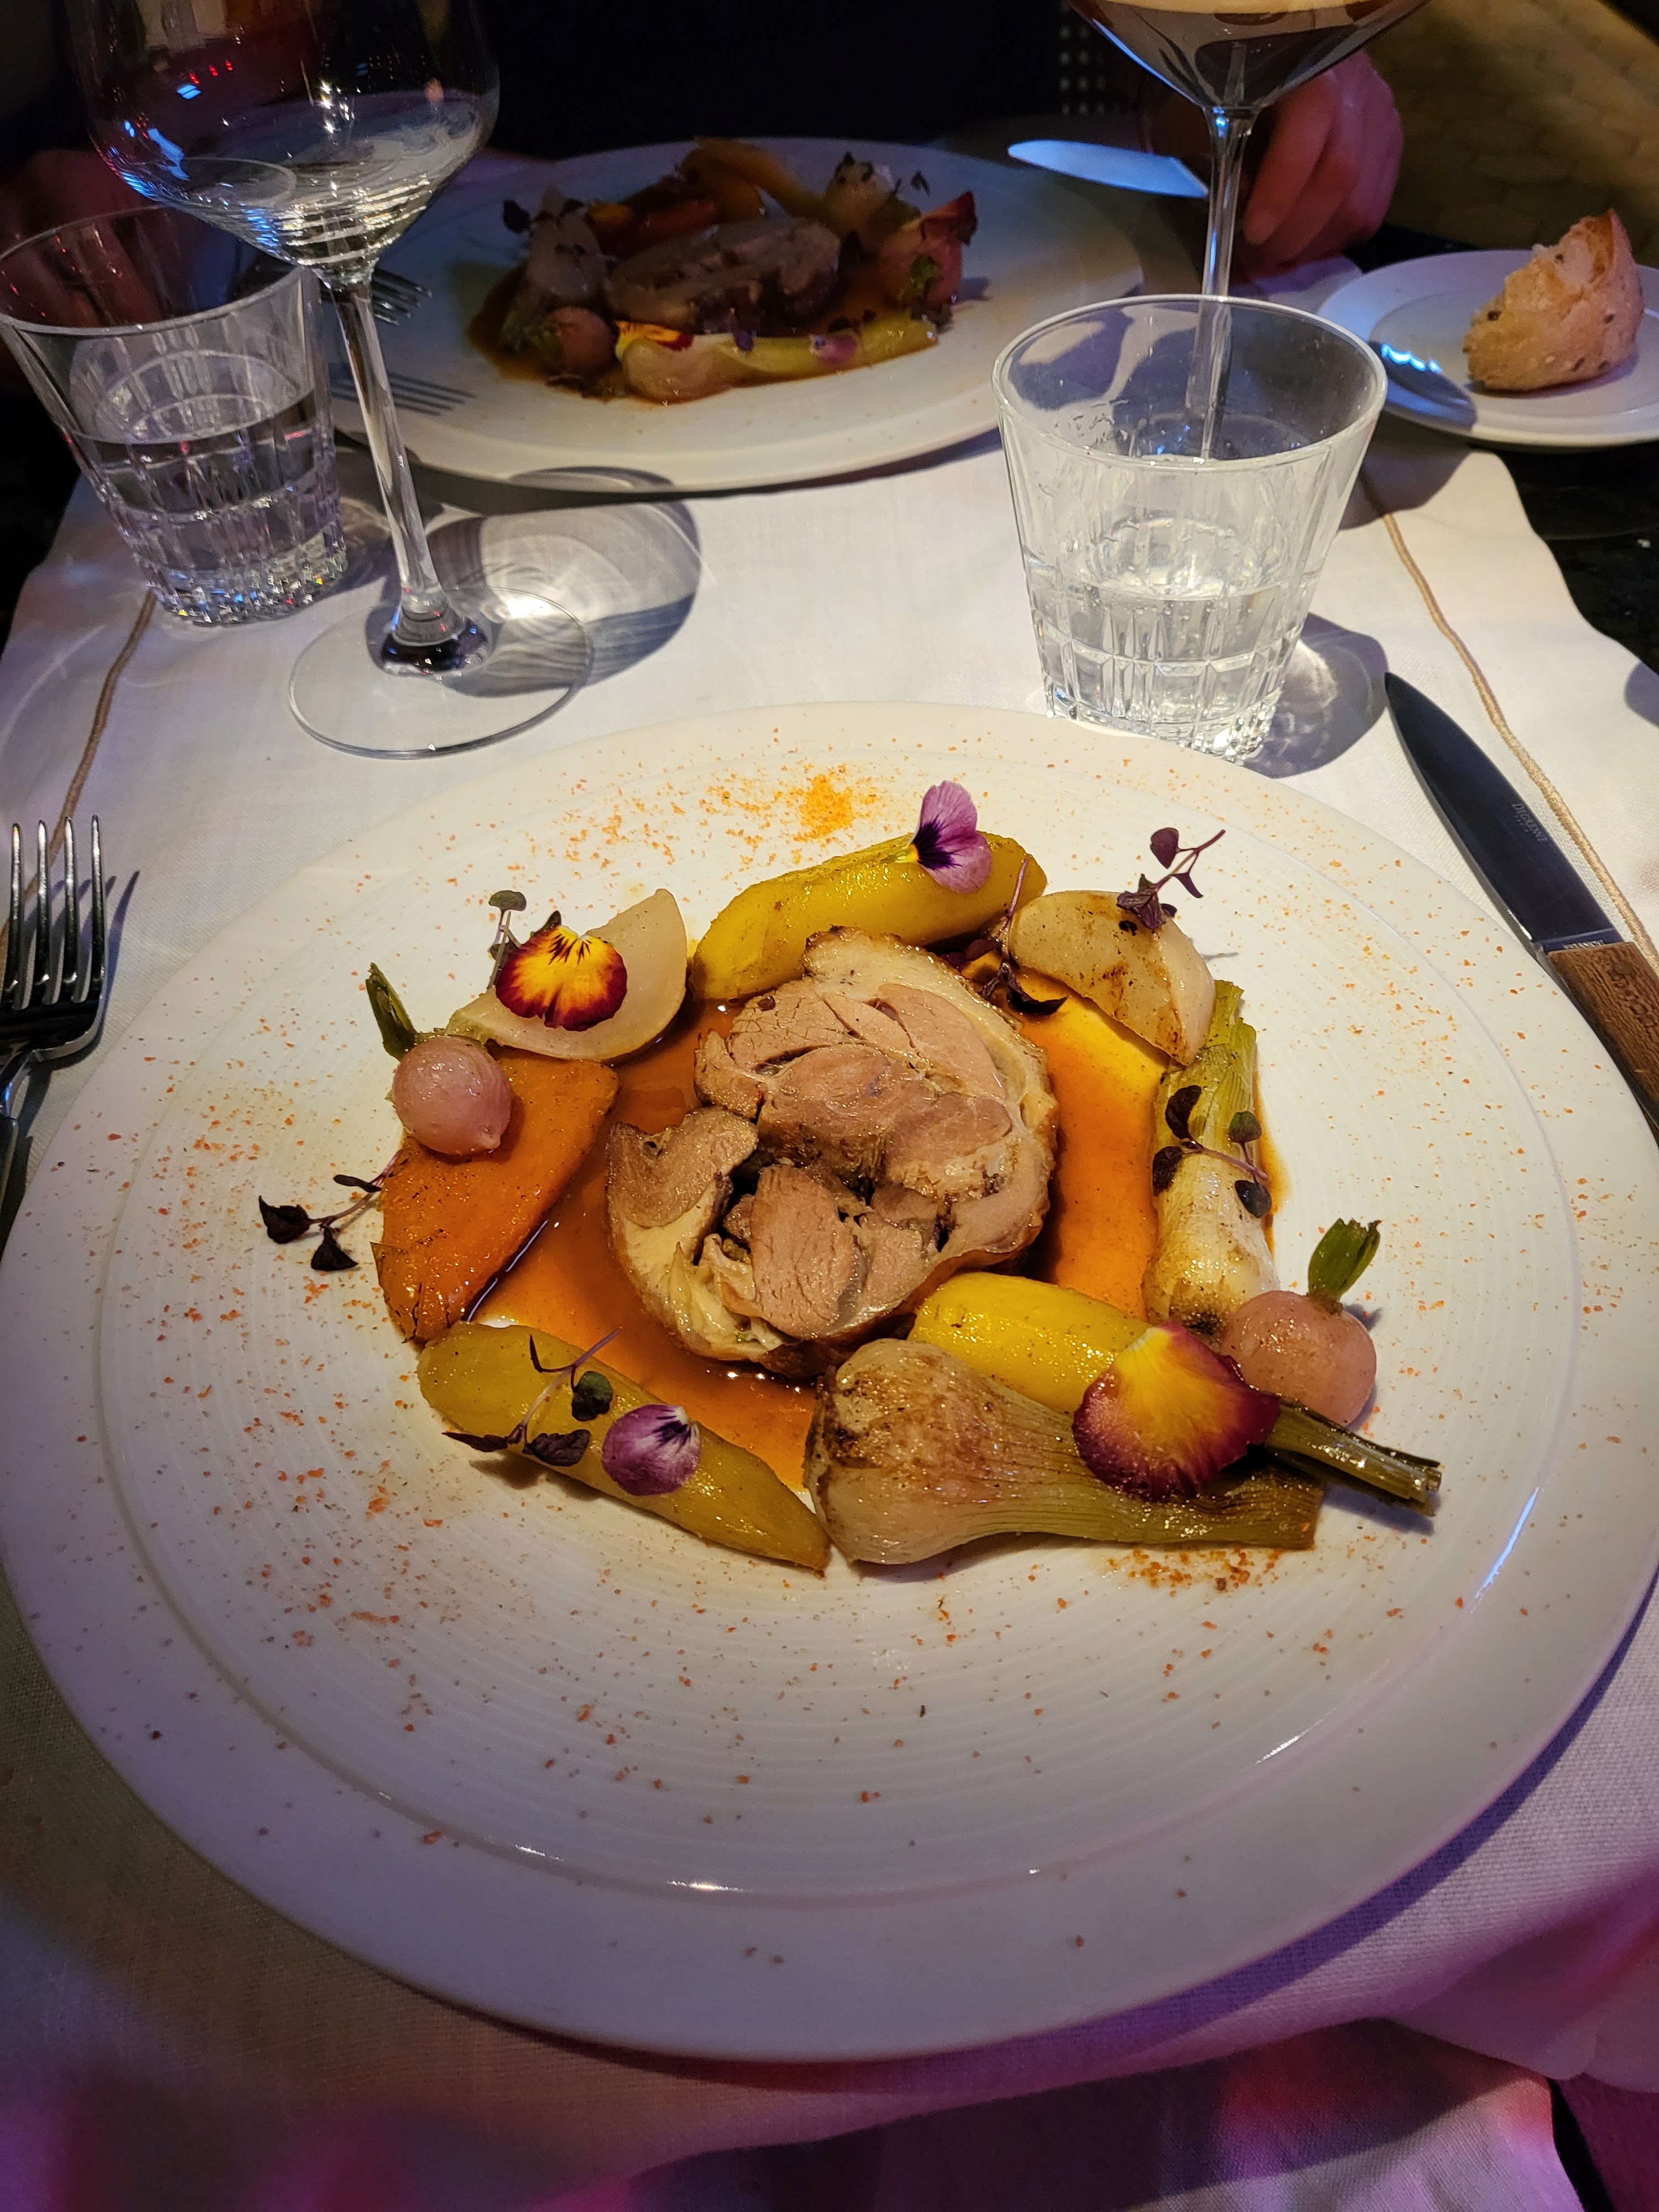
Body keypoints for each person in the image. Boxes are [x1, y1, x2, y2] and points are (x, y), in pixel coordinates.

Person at [0, 0, 1400, 276]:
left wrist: (1260, 78)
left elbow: (1155, 47)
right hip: (463, 275)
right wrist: (140, 185)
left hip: (1016, 294)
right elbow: (224, 67)